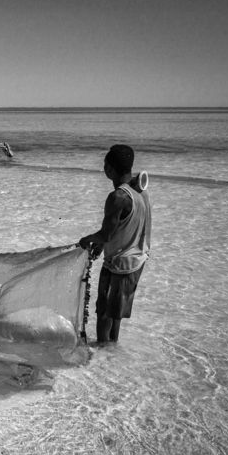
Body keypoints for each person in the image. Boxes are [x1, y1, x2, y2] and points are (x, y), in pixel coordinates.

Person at [79, 145, 151, 345]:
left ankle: (102, 350)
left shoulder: (117, 197)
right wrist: (103, 244)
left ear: (109, 169)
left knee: (104, 312)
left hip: (120, 264)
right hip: (136, 261)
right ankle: (111, 350)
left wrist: (87, 240)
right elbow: (124, 226)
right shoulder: (140, 192)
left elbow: (106, 233)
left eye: (104, 164)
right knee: (115, 312)